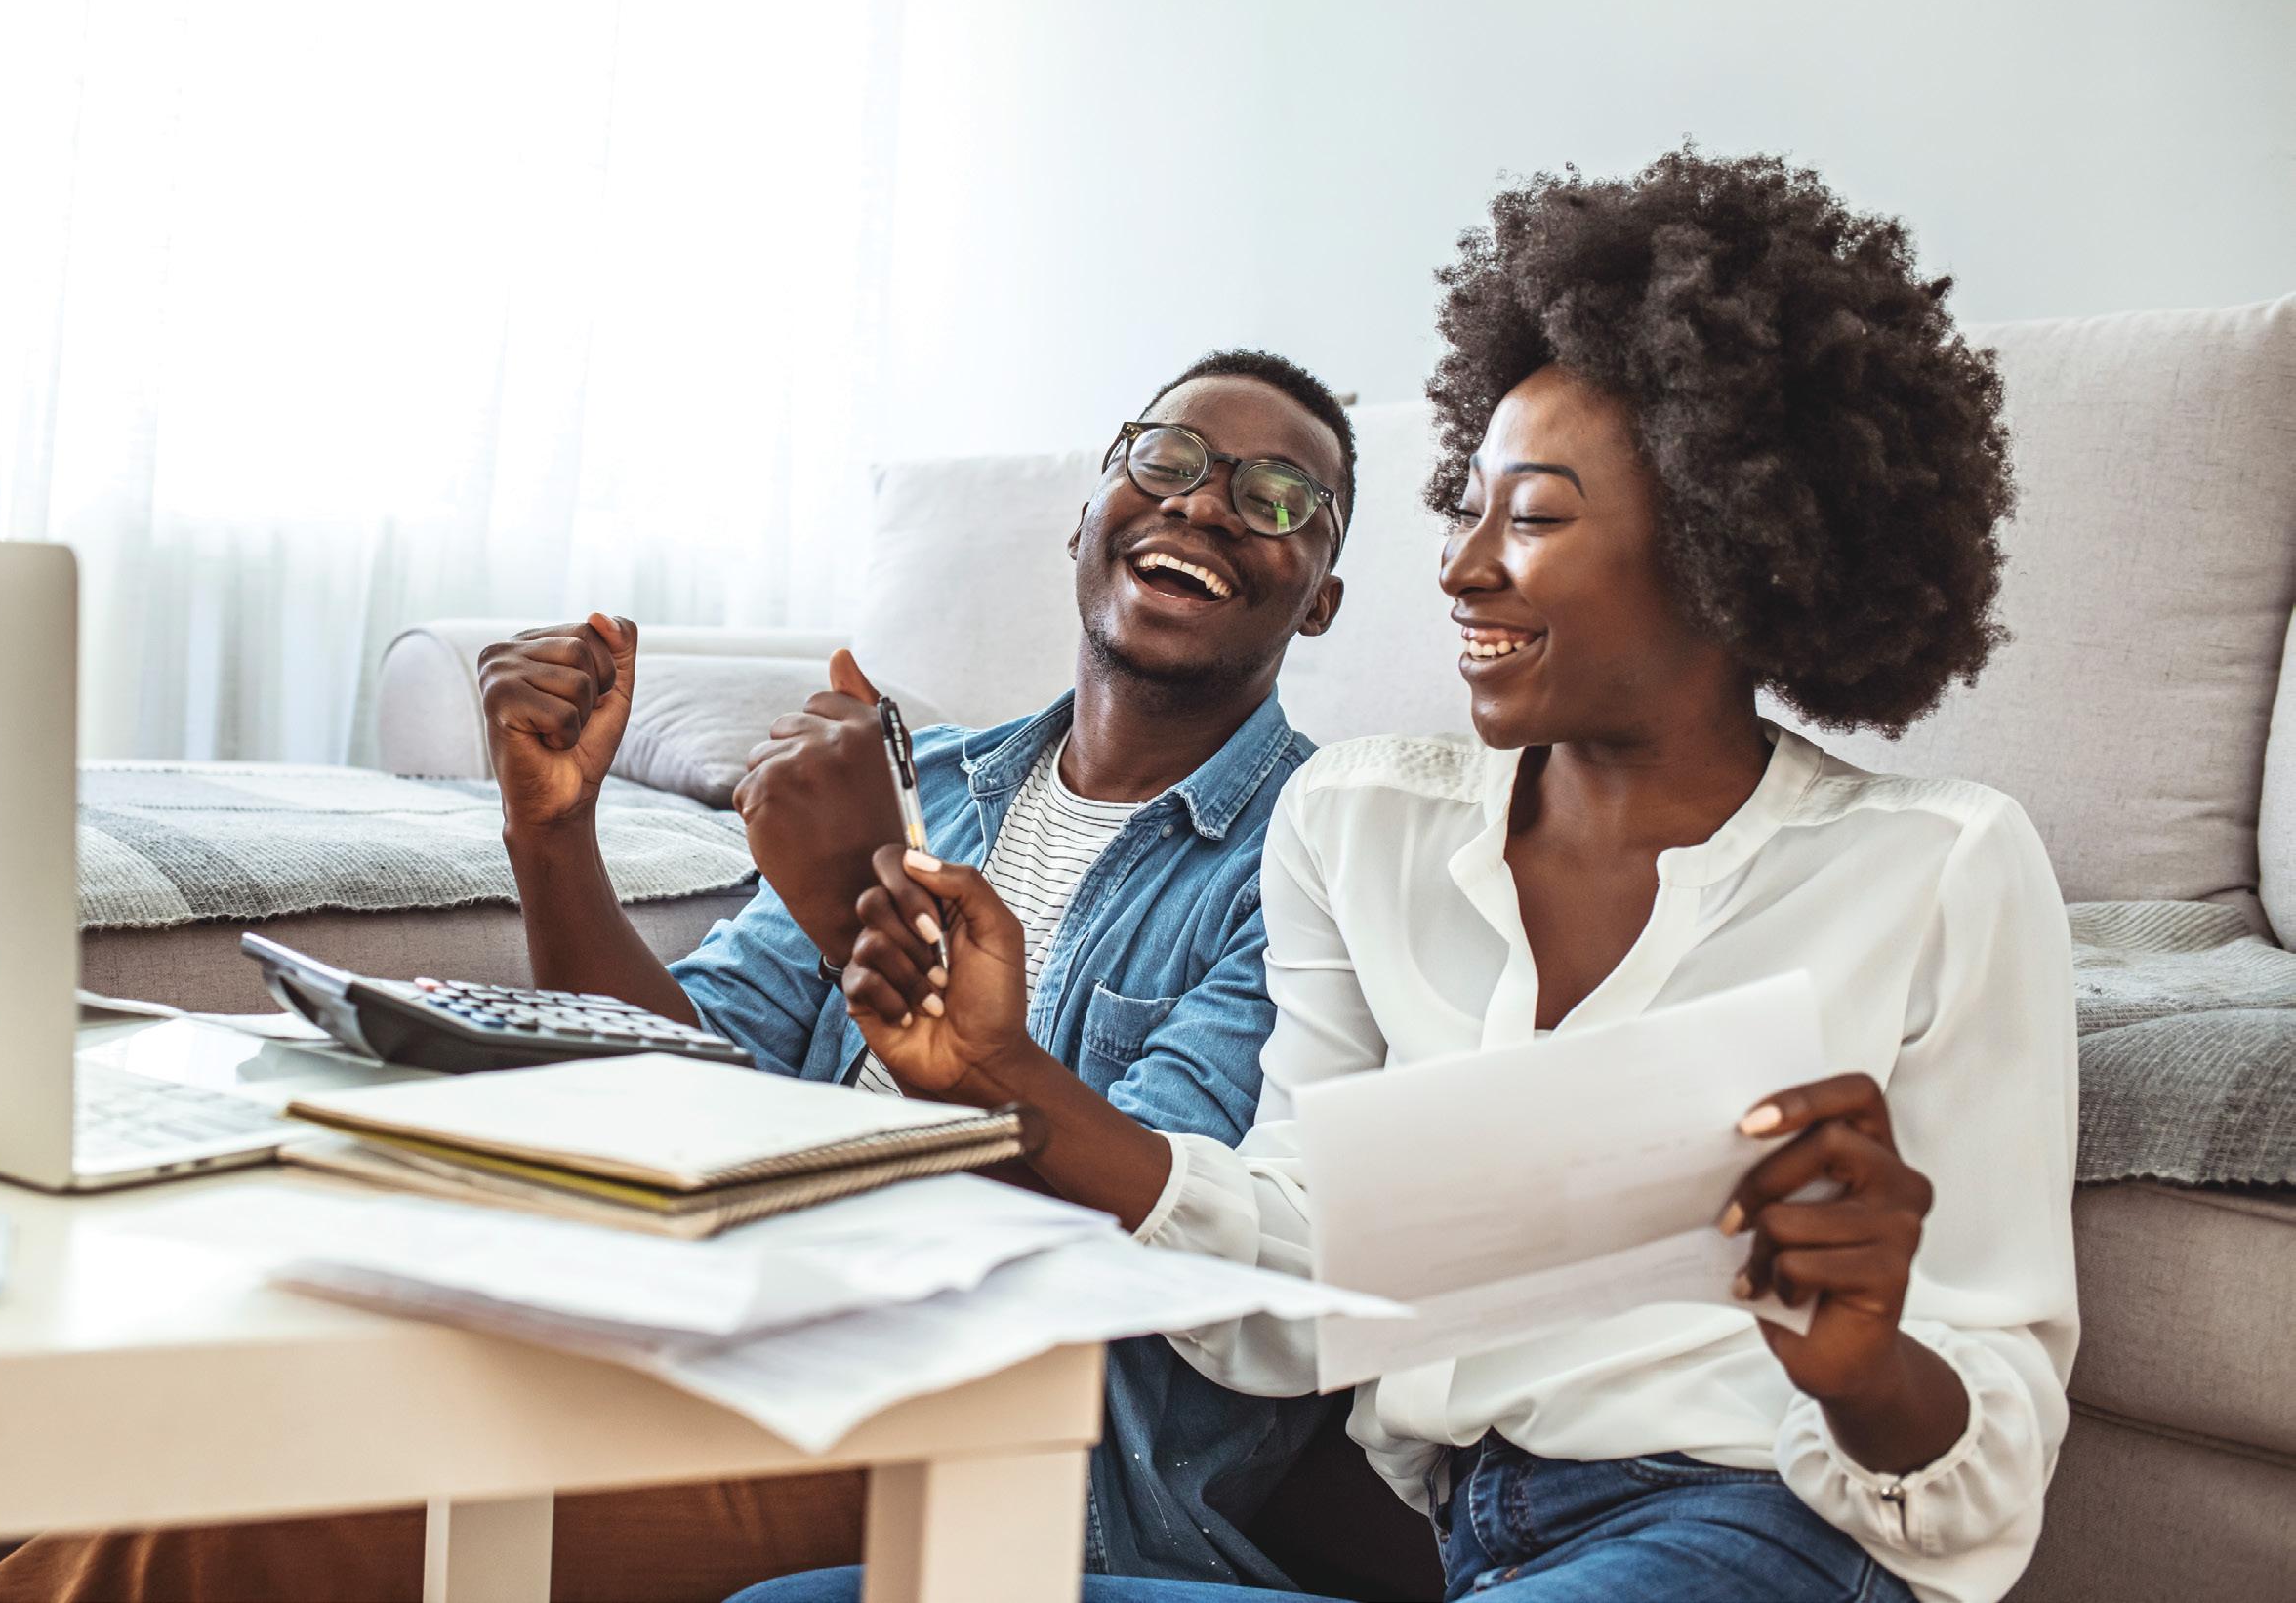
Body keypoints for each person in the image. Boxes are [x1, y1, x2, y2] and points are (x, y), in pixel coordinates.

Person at [754, 148, 2074, 1603]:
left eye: (1535, 517)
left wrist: (1864, 1365)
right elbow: (1292, 1290)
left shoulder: (1938, 865)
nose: (1461, 568)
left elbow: (1986, 1456)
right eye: (1471, 507)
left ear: (1725, 547)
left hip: (1767, 1525)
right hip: (1469, 1548)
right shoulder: (1359, 824)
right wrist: (1002, 1074)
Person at [0, 348, 1358, 1603]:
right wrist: (553, 831)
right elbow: (668, 1068)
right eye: (1167, 459)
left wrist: (848, 920)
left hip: (986, 1441)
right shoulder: (936, 781)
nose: (1204, 504)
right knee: (235, 1389)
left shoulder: (1313, 852)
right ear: (1087, 510)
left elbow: (1142, 1243)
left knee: (283, 1517)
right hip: (718, 1329)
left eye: (1278, 496)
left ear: (1322, 601)